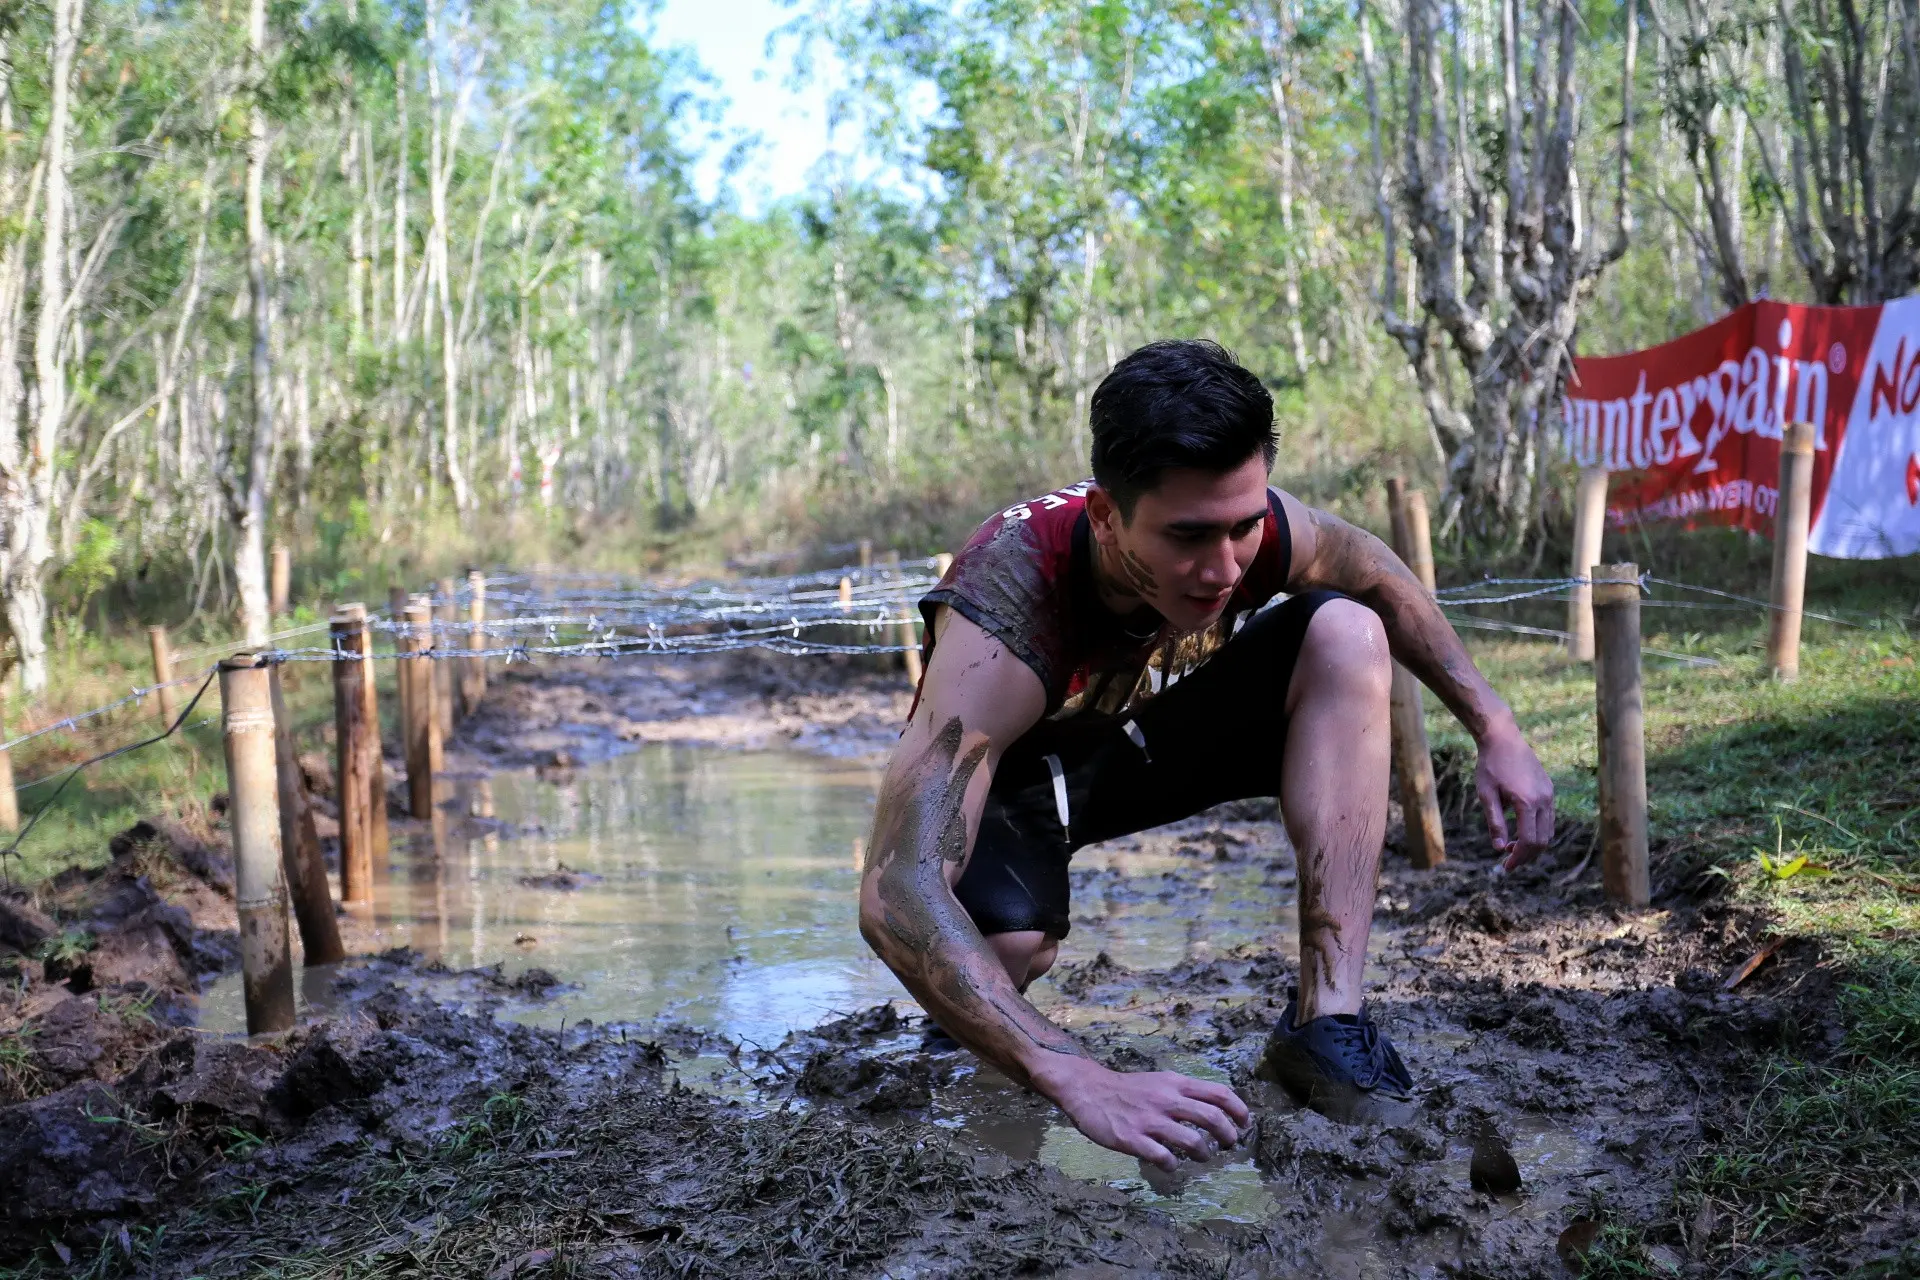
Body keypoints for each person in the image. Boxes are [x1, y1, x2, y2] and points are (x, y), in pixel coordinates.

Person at [856, 339, 1556, 1171]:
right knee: (1008, 954)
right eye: (1188, 537)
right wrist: (1075, 1073)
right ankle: (978, 1037)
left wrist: (1495, 727)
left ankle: (1326, 1024)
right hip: (1023, 776)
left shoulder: (1253, 534)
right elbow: (896, 888)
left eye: (1244, 526)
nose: (1224, 569)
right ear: (1108, 518)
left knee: (1344, 630)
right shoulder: (1001, 621)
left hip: (1144, 740)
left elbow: (1372, 569)